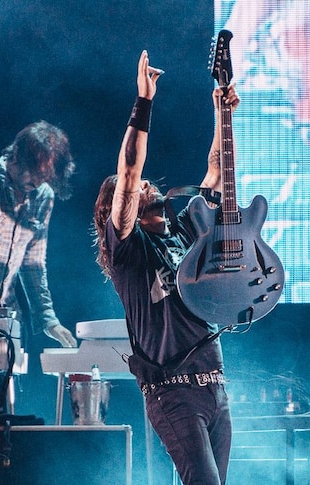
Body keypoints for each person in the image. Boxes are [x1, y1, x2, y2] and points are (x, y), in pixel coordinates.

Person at [93, 50, 235, 485]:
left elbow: (217, 173)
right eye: (134, 192)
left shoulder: (183, 234)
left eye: (147, 186)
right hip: (173, 394)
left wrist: (221, 113)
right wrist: (144, 100)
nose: (146, 186)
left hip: (216, 388)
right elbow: (129, 170)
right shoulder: (129, 251)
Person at [0, 120, 77, 425]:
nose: (38, 182)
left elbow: (33, 264)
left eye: (45, 177)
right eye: (35, 173)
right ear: (16, 156)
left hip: (1, 320)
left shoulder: (43, 197)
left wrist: (48, 319)